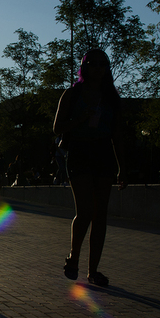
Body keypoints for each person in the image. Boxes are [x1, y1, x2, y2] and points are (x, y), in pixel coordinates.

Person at [53, 48, 128, 286]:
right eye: (92, 63)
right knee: (84, 211)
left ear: (107, 69)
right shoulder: (72, 95)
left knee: (100, 215)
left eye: (102, 63)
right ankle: (73, 256)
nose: (97, 67)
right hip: (80, 153)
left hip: (103, 153)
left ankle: (93, 270)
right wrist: (80, 119)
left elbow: (118, 135)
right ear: (83, 67)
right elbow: (57, 128)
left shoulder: (111, 99)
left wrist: (122, 167)